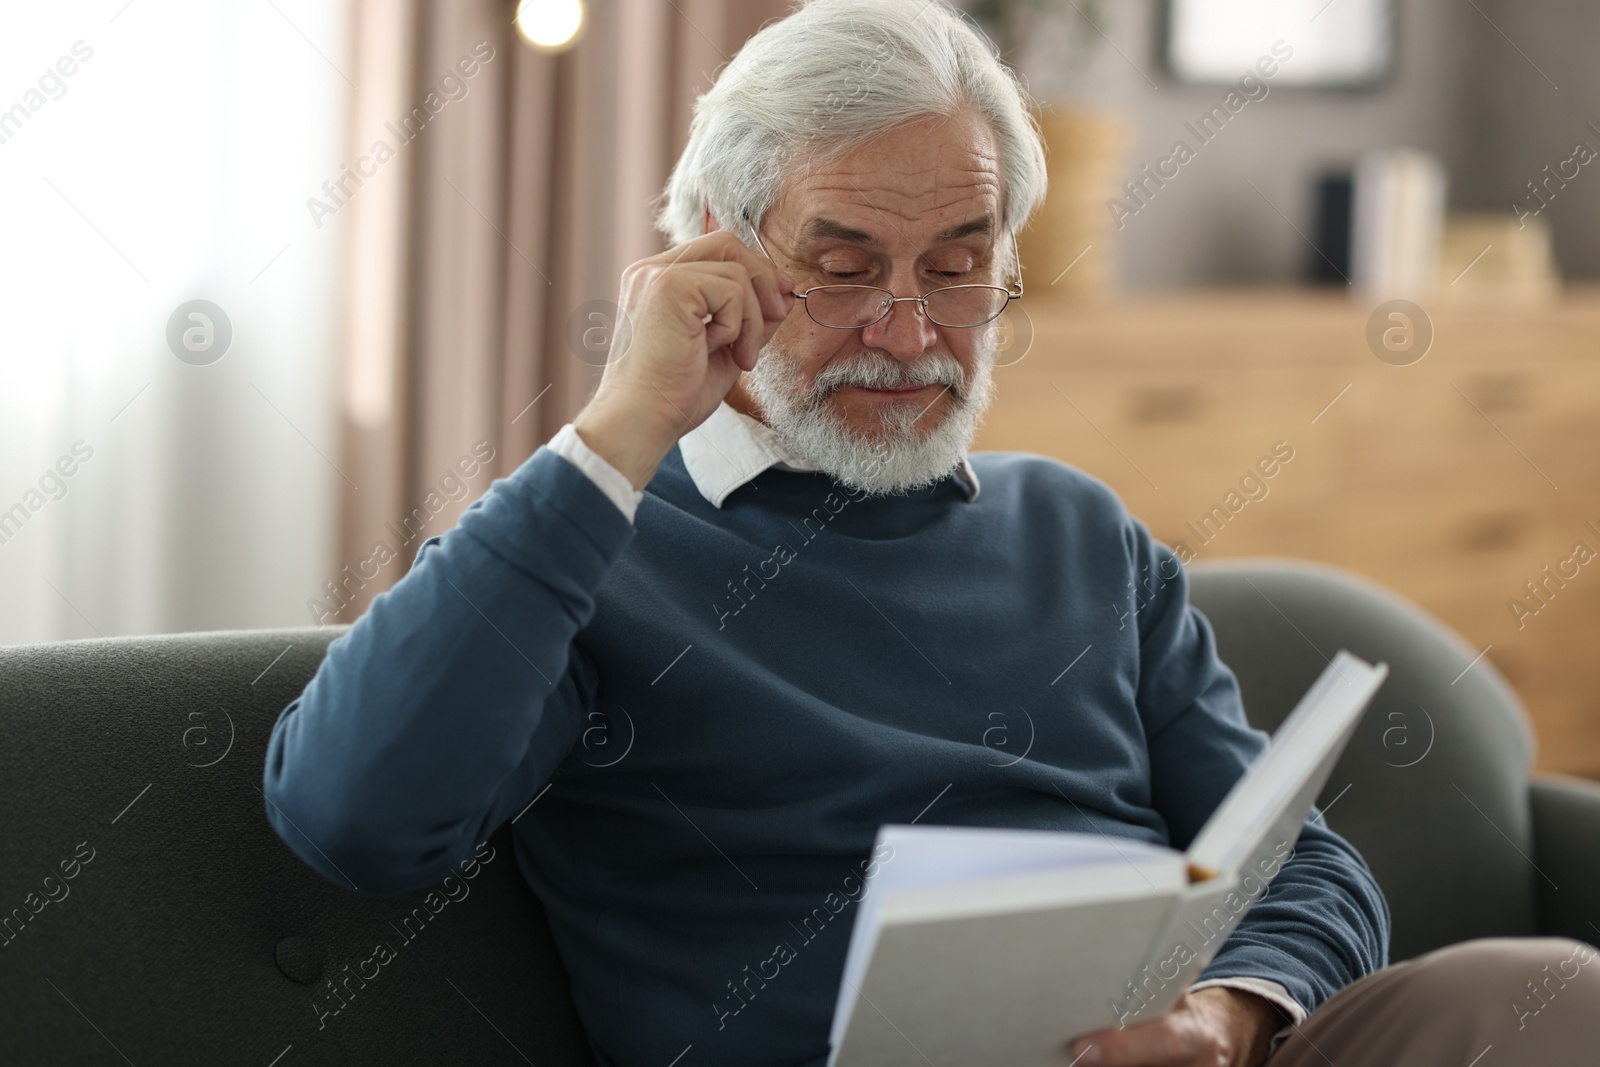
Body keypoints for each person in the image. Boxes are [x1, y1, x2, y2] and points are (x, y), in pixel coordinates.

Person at [263, 2, 1598, 1064]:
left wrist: (1229, 1018)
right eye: (844, 271)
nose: (909, 333)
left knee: (1543, 996)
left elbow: (1294, 860)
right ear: (719, 262)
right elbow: (354, 815)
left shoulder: (1077, 532)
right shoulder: (596, 547)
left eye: (959, 266)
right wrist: (618, 427)